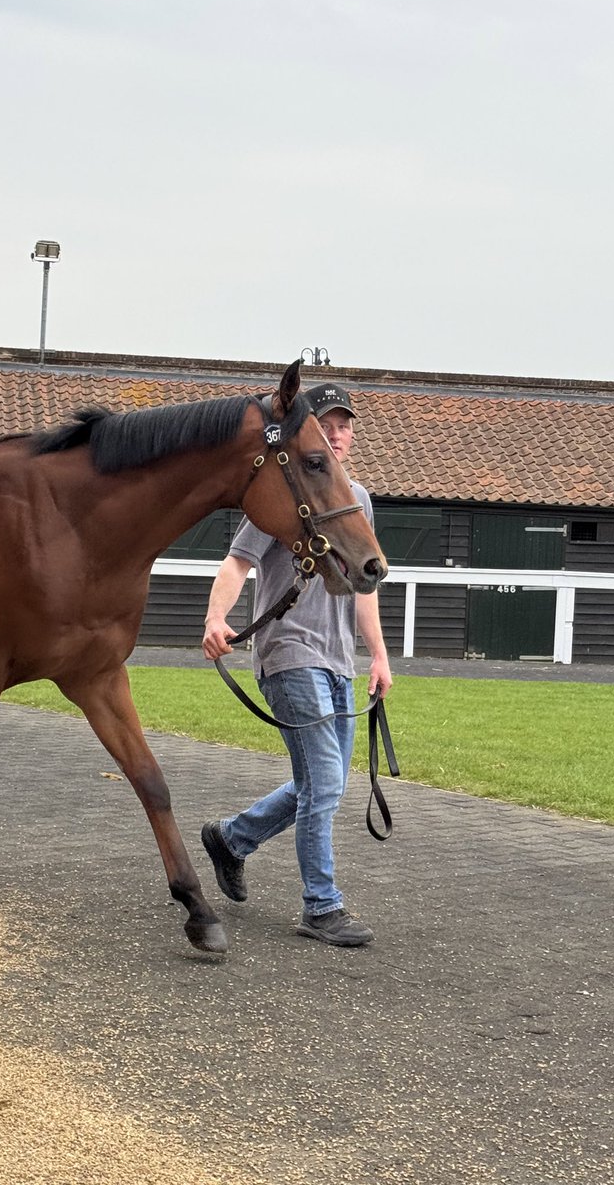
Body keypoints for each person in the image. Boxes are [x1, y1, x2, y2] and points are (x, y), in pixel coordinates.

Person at [200, 382, 391, 947]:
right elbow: (237, 564)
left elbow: (365, 585)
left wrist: (378, 656)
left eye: (345, 425)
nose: (337, 434)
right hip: (288, 653)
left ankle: (231, 839)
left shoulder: (355, 498)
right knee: (325, 782)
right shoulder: (283, 490)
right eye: (327, 425)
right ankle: (320, 906)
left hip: (339, 662)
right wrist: (216, 619)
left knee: (317, 783)